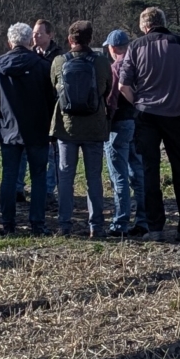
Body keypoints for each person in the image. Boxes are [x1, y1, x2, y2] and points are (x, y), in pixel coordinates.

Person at [119, 5, 180, 241]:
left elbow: (123, 86)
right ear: (163, 22)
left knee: (149, 171)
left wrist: (138, 104)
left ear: (144, 26)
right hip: (174, 115)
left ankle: (155, 227)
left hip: (146, 115)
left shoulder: (135, 46)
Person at [0, 21, 55, 236]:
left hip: (8, 129)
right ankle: (37, 224)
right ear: (29, 41)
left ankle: (8, 224)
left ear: (9, 42)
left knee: (9, 176)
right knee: (38, 176)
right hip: (37, 129)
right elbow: (51, 99)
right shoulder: (43, 66)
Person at [49, 21, 112, 238]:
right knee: (93, 177)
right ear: (90, 39)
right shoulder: (102, 62)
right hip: (94, 127)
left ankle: (64, 224)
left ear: (70, 39)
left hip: (67, 128)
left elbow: (54, 87)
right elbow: (106, 89)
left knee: (65, 176)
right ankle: (96, 226)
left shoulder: (59, 61)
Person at [101, 28, 145, 237]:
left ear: (112, 48)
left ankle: (120, 222)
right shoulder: (140, 65)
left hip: (118, 125)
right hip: (138, 123)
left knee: (119, 175)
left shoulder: (115, 68)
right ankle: (143, 219)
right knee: (138, 173)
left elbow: (110, 100)